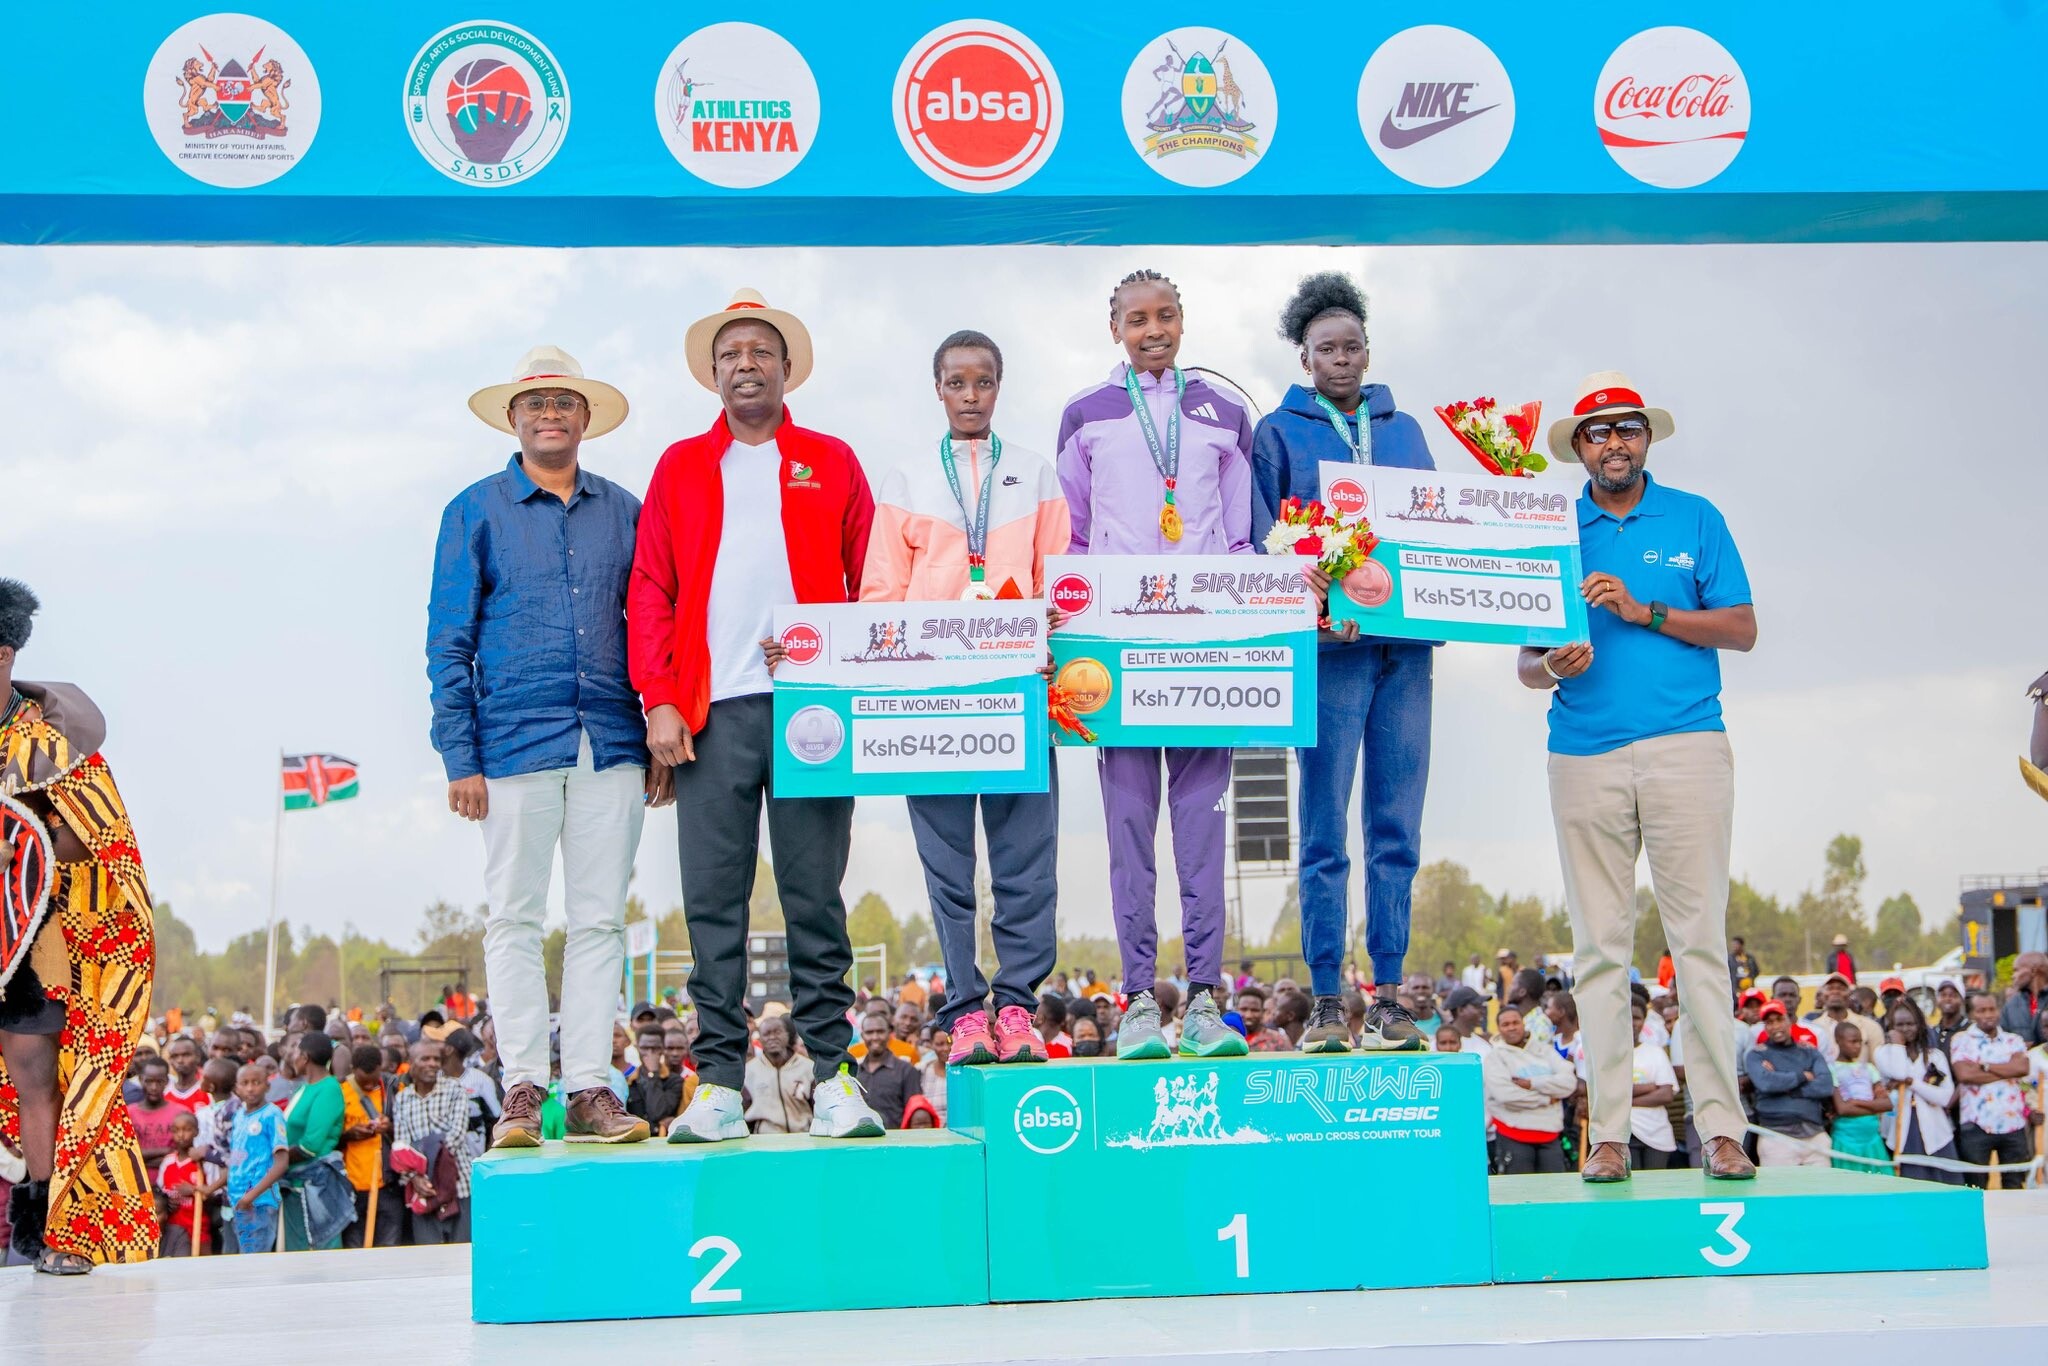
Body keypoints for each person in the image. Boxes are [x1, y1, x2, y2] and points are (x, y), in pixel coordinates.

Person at [632, 289, 885, 1144]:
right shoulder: (679, 467)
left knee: (816, 899)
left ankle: (835, 1078)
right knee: (714, 906)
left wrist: (837, 659)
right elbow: (651, 588)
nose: (746, 365)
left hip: (813, 712)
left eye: (760, 352)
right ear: (714, 374)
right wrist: (661, 699)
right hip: (711, 714)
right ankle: (714, 1086)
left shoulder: (831, 460)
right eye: (731, 355)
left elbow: (870, 580)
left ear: (786, 369)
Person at [1518, 373, 1757, 1184]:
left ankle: (1720, 1130)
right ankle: (1609, 1136)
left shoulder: (1696, 517)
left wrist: (1642, 611)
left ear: (1646, 439)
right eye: (1598, 432)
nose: (1613, 443)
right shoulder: (1551, 530)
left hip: (1687, 746)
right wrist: (1554, 665)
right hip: (1583, 753)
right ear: (1579, 449)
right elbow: (1525, 665)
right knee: (1597, 952)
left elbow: (1742, 628)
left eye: (1627, 429)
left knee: (1700, 947)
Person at [429, 346, 662, 1149]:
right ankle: (524, 1088)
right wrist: (460, 755)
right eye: (536, 403)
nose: (550, 414)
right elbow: (448, 641)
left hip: (612, 738)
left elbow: (653, 623)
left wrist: (660, 725)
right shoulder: (474, 511)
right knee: (514, 917)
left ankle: (592, 1086)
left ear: (586, 417)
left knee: (600, 921)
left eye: (565, 402)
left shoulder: (626, 512)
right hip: (510, 742)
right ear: (513, 418)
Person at [1056, 268, 1253, 1063]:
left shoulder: (1225, 413)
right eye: (1136, 319)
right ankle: (1139, 1000)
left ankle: (1203, 1000)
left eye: (1165, 315)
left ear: (1182, 320)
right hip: (1117, 657)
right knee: (1129, 834)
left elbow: (1240, 542)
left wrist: (1260, 622)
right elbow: (1073, 540)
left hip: (1201, 653)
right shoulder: (1086, 414)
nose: (1153, 330)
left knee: (1202, 835)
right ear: (1116, 329)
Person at [860, 330, 1067, 1068]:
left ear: (999, 387)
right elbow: (881, 593)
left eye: (983, 382)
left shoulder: (1035, 473)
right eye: (957, 382)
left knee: (1026, 862)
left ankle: (1016, 1005)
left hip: (1019, 696)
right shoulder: (907, 478)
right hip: (933, 703)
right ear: (939, 389)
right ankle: (966, 1011)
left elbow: (1060, 582)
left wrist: (1053, 645)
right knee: (947, 868)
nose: (970, 395)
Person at [1249, 272, 1435, 1053]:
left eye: (1351, 346)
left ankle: (1387, 996)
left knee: (1397, 824)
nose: (1340, 359)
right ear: (1304, 358)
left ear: (1367, 350)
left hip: (1406, 651)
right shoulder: (1278, 433)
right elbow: (1260, 538)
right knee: (1325, 827)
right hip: (1330, 653)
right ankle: (1327, 996)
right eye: (1325, 349)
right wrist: (1306, 578)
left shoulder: (1407, 430)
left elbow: (1438, 528)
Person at [0, 580, 159, 1272]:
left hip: (31, 942)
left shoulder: (51, 742)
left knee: (37, 1079)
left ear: (3, 654)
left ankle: (46, 1229)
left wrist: (20, 839)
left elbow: (91, 838)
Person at [1949, 990, 2034, 1190]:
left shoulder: (2013, 1040)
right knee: (1976, 1186)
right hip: (1976, 1124)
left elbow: (2022, 1068)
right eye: (1981, 1010)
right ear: (1972, 1014)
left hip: (2013, 1124)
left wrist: (1984, 1066)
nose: (1988, 1015)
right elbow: (1965, 1075)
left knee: (2014, 1185)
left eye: (1992, 1009)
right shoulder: (1962, 1040)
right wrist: (2007, 1070)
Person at [1484, 1004, 1578, 1174]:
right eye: (1505, 1024)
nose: (1511, 1027)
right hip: (1513, 1135)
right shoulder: (1494, 1057)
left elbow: (1569, 1083)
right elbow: (1505, 1095)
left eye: (1515, 1022)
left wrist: (1532, 1084)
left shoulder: (1545, 1051)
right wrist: (1546, 1098)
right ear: (1499, 1029)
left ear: (1523, 1023)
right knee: (1519, 1188)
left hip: (1551, 1135)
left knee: (1555, 1188)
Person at [393, 1039, 472, 1241]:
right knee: (429, 1253)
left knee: (462, 1251)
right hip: (423, 1190)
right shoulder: (402, 1099)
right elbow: (402, 1146)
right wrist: (415, 1177)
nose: (432, 1064)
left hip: (458, 1186)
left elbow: (457, 1134)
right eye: (425, 1059)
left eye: (436, 1059)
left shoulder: (454, 1089)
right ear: (411, 1063)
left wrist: (429, 1168)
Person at [1875, 999, 1959, 1184]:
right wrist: (1898, 1045)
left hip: (1936, 1133)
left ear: (1920, 1024)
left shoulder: (1935, 1056)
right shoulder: (1883, 1053)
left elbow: (1945, 1097)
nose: (1905, 1029)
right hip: (1901, 1131)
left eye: (1910, 1024)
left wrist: (1912, 1083)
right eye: (1899, 1025)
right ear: (1891, 1026)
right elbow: (1899, 1072)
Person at [1743, 1002, 1835, 1168]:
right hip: (1776, 1138)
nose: (1776, 1026)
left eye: (1779, 1019)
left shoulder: (1809, 1051)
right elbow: (1766, 1084)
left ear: (1789, 1020)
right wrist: (1803, 1075)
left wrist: (1785, 1085)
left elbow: (1825, 1086)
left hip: (1814, 1135)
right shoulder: (1757, 1054)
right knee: (1780, 1185)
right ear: (1765, 1027)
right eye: (1769, 1022)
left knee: (1822, 1184)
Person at [280, 1031, 348, 1250]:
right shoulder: (304, 1088)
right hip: (294, 1182)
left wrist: (275, 1160)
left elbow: (311, 1145)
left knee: (320, 1250)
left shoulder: (328, 1088)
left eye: (296, 1051)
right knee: (297, 1250)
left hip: (314, 1183)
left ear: (305, 1057)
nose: (292, 1056)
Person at [224, 1062, 288, 1254]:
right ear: (237, 1088)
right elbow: (236, 1160)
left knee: (256, 1260)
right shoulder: (239, 1116)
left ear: (267, 1086)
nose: (250, 1088)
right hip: (237, 1201)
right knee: (242, 1260)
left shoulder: (271, 1114)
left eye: (256, 1082)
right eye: (245, 1083)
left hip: (259, 1202)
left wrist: (250, 1196)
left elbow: (281, 1162)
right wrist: (211, 1188)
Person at [340, 1042, 399, 1248]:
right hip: (353, 1185)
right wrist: (349, 1135)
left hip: (387, 1184)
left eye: (373, 1080)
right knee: (354, 1248)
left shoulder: (393, 1088)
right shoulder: (341, 1091)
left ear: (380, 1068)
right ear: (353, 1070)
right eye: (362, 1081)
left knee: (388, 1247)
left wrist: (389, 1128)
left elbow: (409, 1132)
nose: (368, 1085)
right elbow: (330, 1138)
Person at [1828, 1020, 1890, 1174]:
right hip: (1846, 1137)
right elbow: (1842, 1109)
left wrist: (1855, 1102)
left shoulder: (1869, 1068)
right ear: (1838, 1040)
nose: (1858, 1046)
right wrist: (1873, 1107)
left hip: (1872, 1137)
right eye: (1853, 1041)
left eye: (1860, 1042)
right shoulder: (1831, 1069)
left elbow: (1886, 1104)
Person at [156, 1111, 218, 1257]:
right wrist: (167, 1202)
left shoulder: (203, 1163)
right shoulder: (167, 1162)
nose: (181, 1135)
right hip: (173, 1231)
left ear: (196, 1132)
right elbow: (160, 1194)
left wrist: (194, 1191)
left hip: (198, 1229)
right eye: (176, 1130)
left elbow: (214, 1197)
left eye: (187, 1130)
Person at [742, 1015, 812, 1136]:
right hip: (765, 1140)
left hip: (803, 1138)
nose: (772, 1037)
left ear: (787, 1035)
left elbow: (818, 1107)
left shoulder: (808, 1067)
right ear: (760, 1039)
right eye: (766, 1034)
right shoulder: (749, 1071)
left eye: (777, 1032)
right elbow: (744, 1110)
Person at [852, 1013, 920, 1132]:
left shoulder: (906, 1070)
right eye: (869, 1032)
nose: (875, 1037)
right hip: (860, 1139)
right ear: (862, 1035)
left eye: (880, 1032)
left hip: (896, 1140)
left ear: (889, 1034)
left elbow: (914, 1113)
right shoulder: (854, 1072)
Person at [626, 1025, 688, 1137]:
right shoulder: (629, 1081)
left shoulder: (674, 1081)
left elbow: (658, 1113)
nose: (650, 1053)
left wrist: (653, 1074)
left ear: (663, 1049)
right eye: (645, 1048)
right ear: (637, 1047)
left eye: (655, 1048)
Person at [129, 1056, 180, 1174]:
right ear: (141, 1079)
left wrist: (140, 1159)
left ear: (167, 1081)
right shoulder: (128, 1113)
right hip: (136, 1180)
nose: (154, 1087)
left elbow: (180, 1156)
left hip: (170, 1182)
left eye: (159, 1082)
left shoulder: (180, 1114)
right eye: (149, 1081)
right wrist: (164, 1151)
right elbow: (125, 1154)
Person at [1999, 953, 2048, 1044]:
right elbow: (2002, 1041)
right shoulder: (2010, 1005)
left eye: (2016, 970)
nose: (2013, 976)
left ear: (2033, 971)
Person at [1236, 986, 1291, 1052]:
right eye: (1244, 1009)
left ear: (1263, 1012)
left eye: (1254, 1010)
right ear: (1237, 1010)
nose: (1248, 1016)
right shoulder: (1229, 1040)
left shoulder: (1278, 1040)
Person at [163, 1036, 207, 1117]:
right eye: (175, 1056)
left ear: (198, 1057)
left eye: (186, 1055)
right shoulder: (163, 1093)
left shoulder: (208, 1092)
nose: (180, 1060)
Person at [1441, 986, 1491, 1056]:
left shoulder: (1485, 1046)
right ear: (1461, 1010)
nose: (1482, 1011)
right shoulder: (1440, 1045)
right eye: (1477, 1006)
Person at [1931, 978, 1969, 1053]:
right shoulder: (1932, 1033)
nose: (1947, 999)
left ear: (1962, 1000)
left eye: (1953, 995)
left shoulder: (1970, 1030)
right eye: (1943, 995)